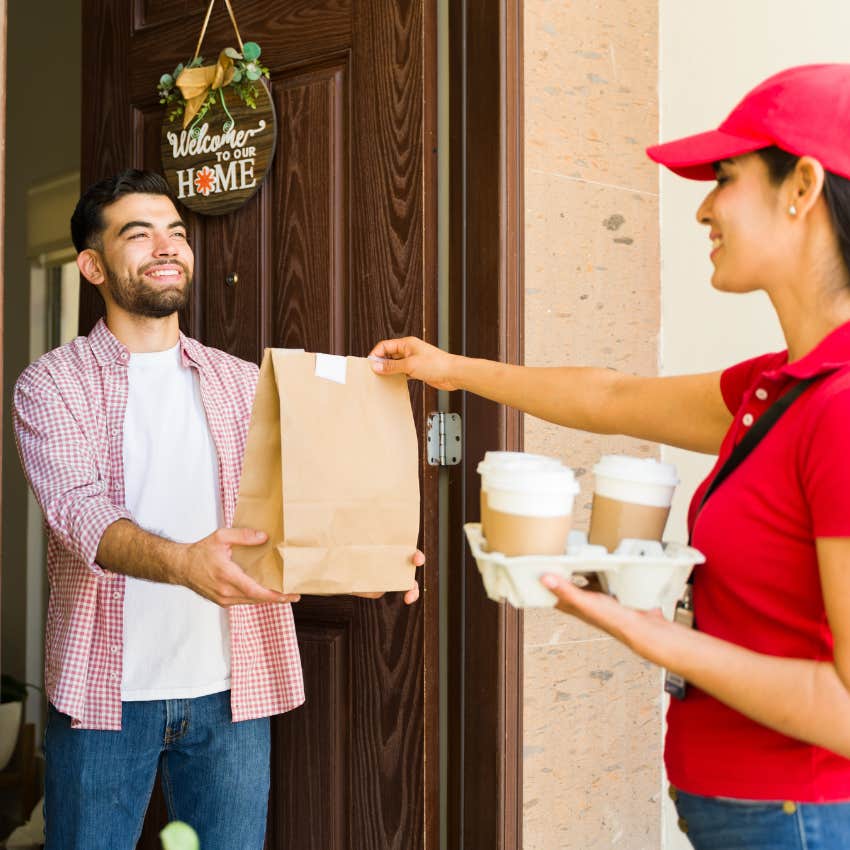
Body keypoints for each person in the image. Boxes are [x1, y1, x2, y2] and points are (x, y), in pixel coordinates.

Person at [370, 64, 850, 849]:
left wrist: (644, 629)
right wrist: (448, 369)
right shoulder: (780, 384)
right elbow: (614, 399)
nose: (703, 208)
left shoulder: (841, 405)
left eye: (724, 177)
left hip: (802, 817)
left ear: (801, 186)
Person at [13, 169, 424, 850]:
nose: (167, 246)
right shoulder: (51, 382)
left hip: (233, 691)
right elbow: (76, 511)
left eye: (176, 232)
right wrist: (183, 562)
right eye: (138, 235)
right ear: (91, 265)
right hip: (104, 695)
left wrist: (354, 563)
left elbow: (294, 508)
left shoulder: (242, 381)